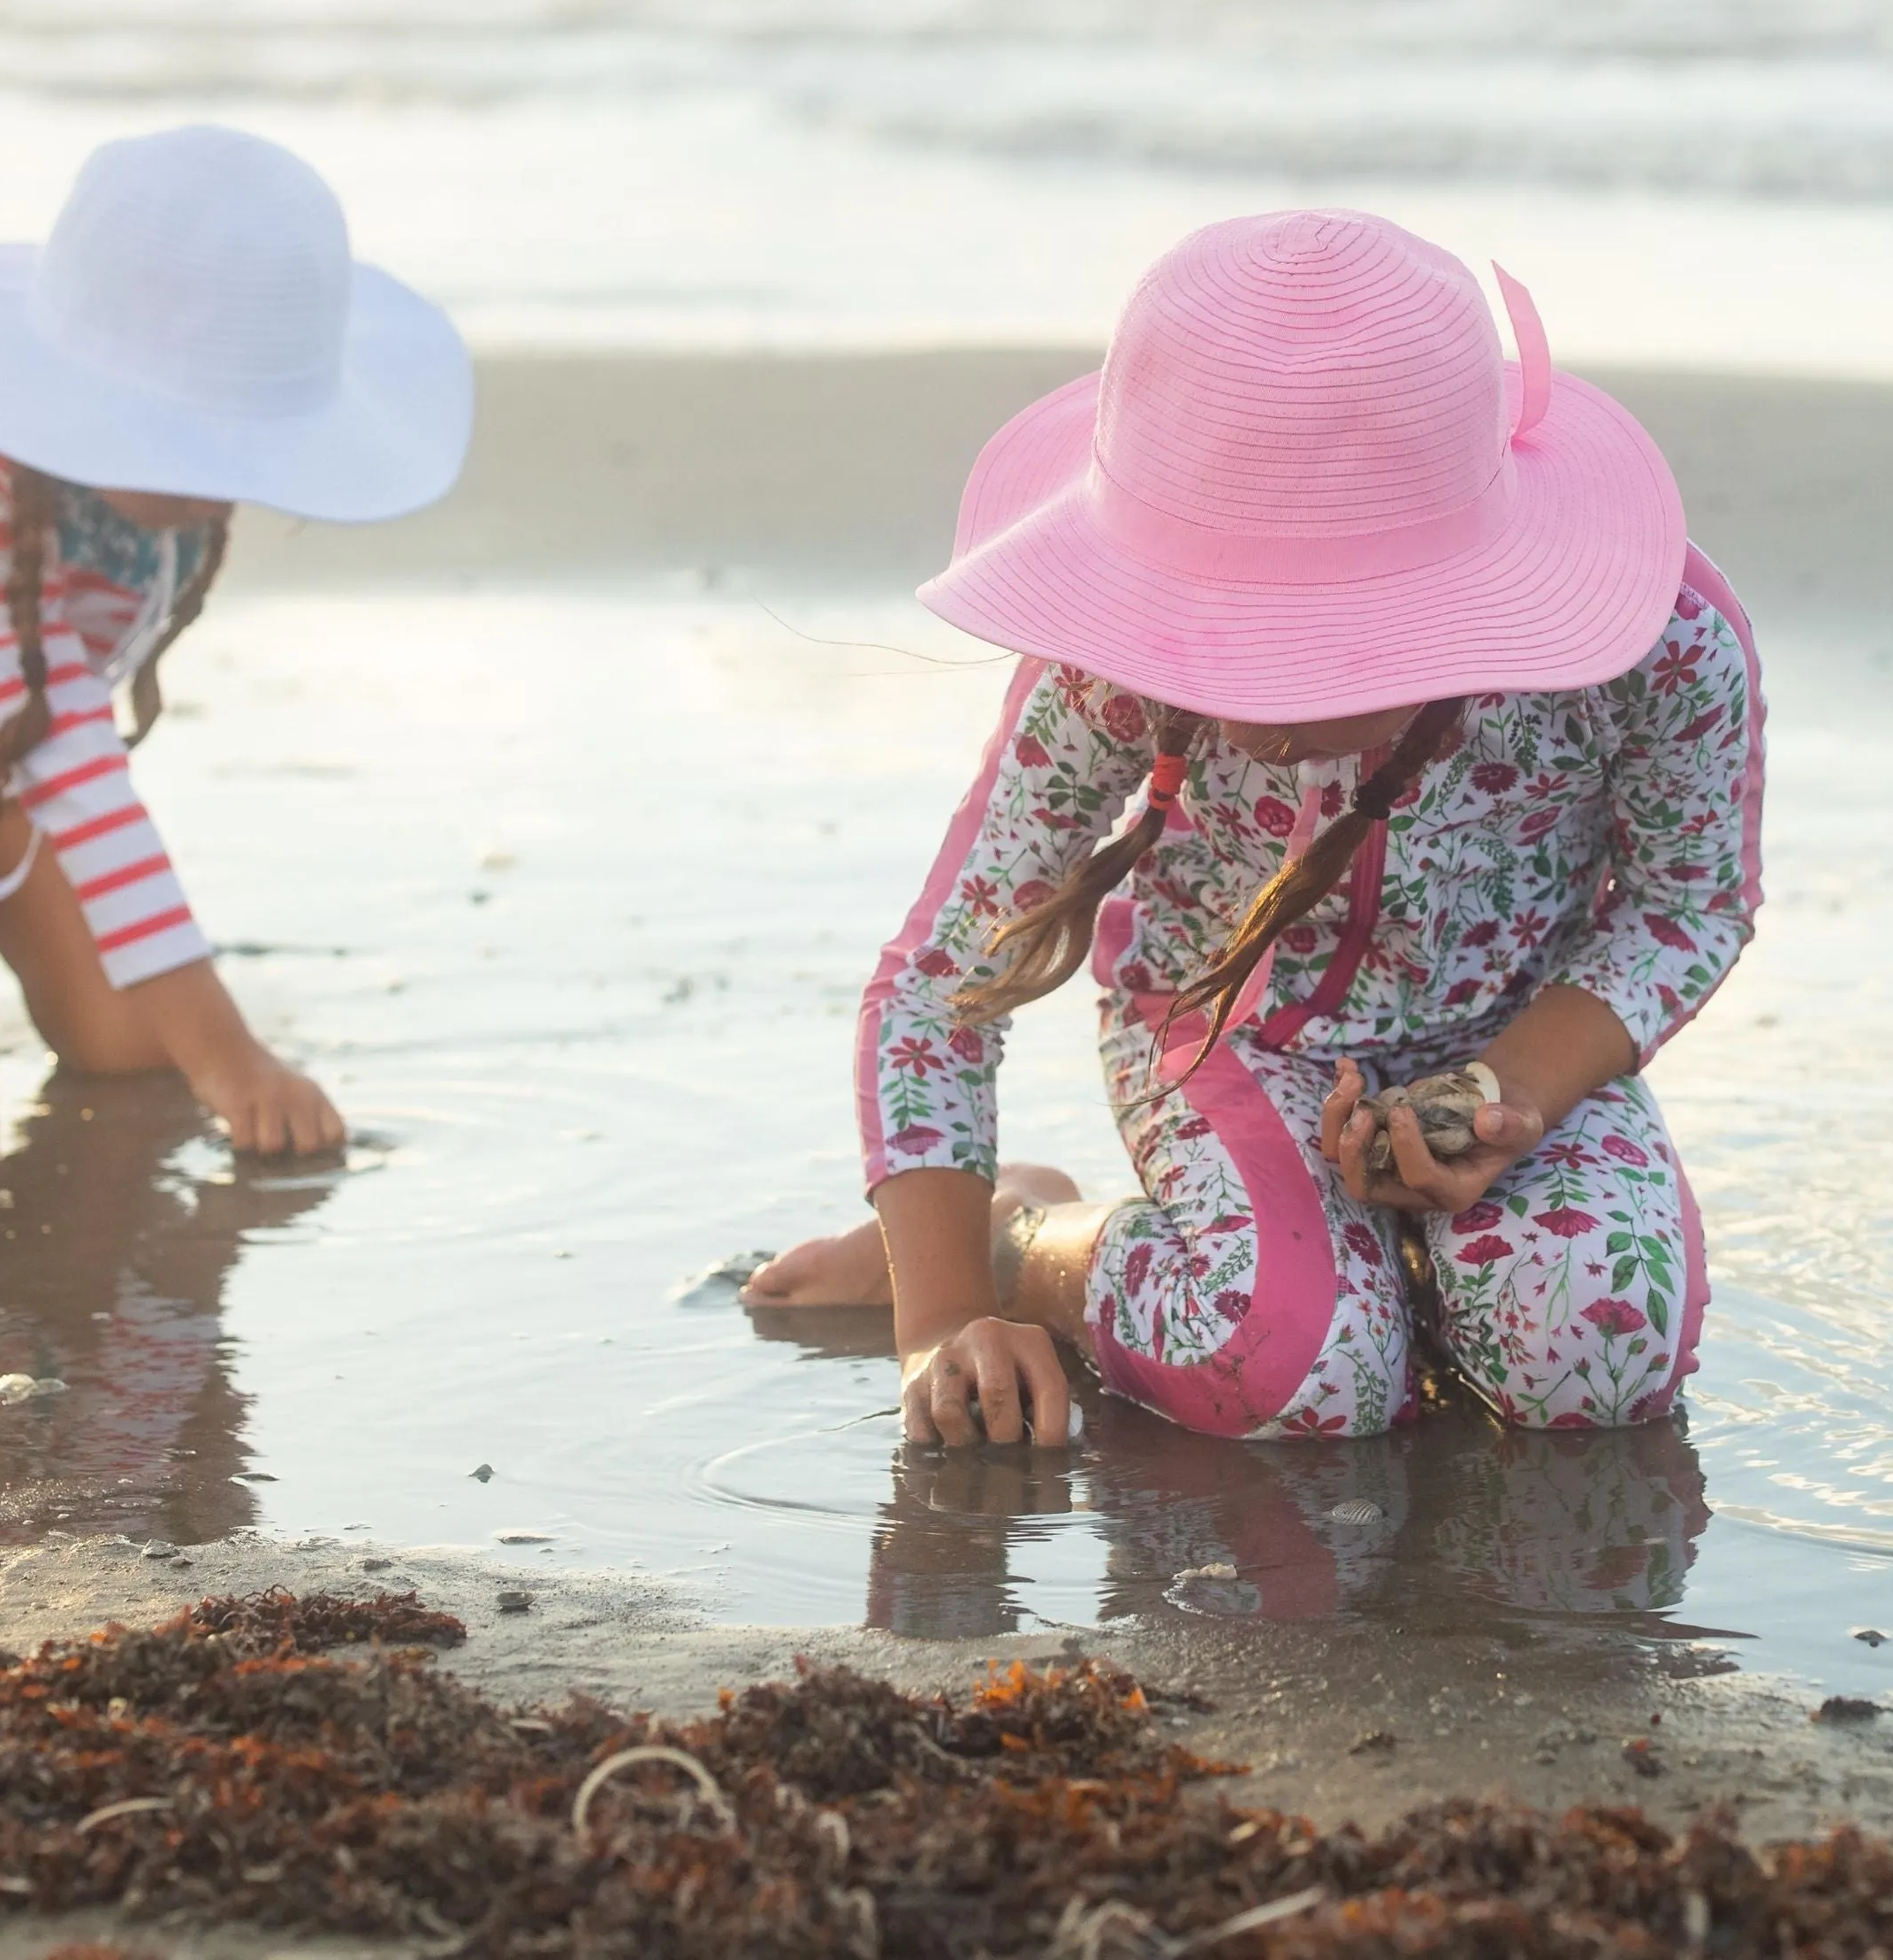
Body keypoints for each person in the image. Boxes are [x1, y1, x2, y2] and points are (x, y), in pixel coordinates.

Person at [747, 209, 1761, 1449]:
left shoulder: (1648, 638)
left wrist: (1498, 1100)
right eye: (1232, 631)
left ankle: (1391, 1278)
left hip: (1512, 1040)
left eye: (1329, 646)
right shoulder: (1111, 663)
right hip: (1232, 1030)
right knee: (1296, 1377)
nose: (1270, 709)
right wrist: (945, 1311)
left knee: (1592, 1356)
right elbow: (940, 980)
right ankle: (1030, 1237)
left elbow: (1684, 904)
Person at [0, 124, 470, 1151]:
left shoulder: (161, 495)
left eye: (245, 443)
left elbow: (52, 743)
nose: (222, 480)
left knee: (128, 1042)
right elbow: (77, 774)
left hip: (3, 738)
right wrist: (232, 1056)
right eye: (194, 439)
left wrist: (191, 1037)